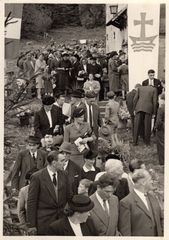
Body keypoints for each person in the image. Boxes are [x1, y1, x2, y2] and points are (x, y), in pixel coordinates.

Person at [27, 150, 73, 235]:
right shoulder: (37, 177)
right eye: (62, 161)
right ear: (54, 163)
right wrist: (31, 225)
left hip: (62, 221)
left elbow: (69, 196)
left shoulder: (64, 174)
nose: (65, 163)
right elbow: (31, 202)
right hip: (44, 222)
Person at [119, 169, 163, 236]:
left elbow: (161, 219)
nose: (152, 182)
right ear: (143, 182)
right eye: (150, 179)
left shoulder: (153, 197)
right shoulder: (126, 202)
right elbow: (125, 231)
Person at [155, 93, 165, 165]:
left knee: (161, 145)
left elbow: (159, 121)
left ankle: (162, 161)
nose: (158, 102)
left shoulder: (161, 108)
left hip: (162, 129)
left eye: (159, 100)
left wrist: (156, 128)